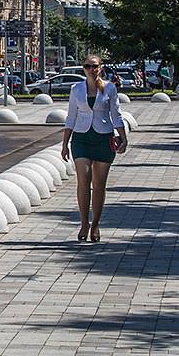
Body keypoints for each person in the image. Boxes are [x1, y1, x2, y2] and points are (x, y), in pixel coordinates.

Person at [60, 54, 126, 242]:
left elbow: (116, 115)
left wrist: (123, 138)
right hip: (81, 138)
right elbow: (71, 117)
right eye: (88, 66)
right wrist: (65, 143)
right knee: (83, 179)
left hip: (103, 138)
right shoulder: (76, 89)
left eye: (94, 66)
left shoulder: (110, 88)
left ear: (100, 67)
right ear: (83, 68)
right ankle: (83, 222)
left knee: (99, 185)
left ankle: (95, 224)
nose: (91, 69)